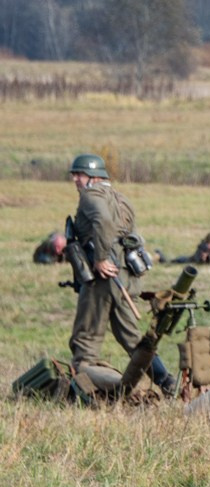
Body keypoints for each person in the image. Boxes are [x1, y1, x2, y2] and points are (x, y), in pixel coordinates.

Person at [64, 154, 174, 399]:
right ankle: (166, 381)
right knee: (132, 337)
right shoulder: (119, 198)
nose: (75, 179)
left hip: (102, 279)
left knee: (85, 339)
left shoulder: (91, 196)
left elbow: (103, 222)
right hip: (123, 277)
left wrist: (100, 258)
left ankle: (86, 391)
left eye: (79, 174)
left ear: (93, 177)